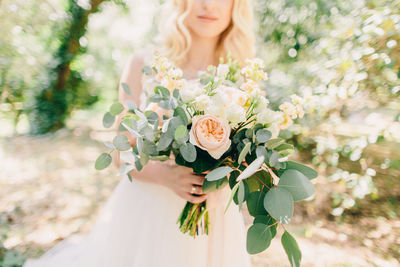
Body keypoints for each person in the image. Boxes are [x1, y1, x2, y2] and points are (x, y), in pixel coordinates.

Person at [23, 0, 255, 266]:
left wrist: (223, 179)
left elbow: (248, 157)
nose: (208, 6)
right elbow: (120, 152)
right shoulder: (143, 63)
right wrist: (165, 176)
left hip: (215, 217)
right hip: (147, 213)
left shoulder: (244, 73)